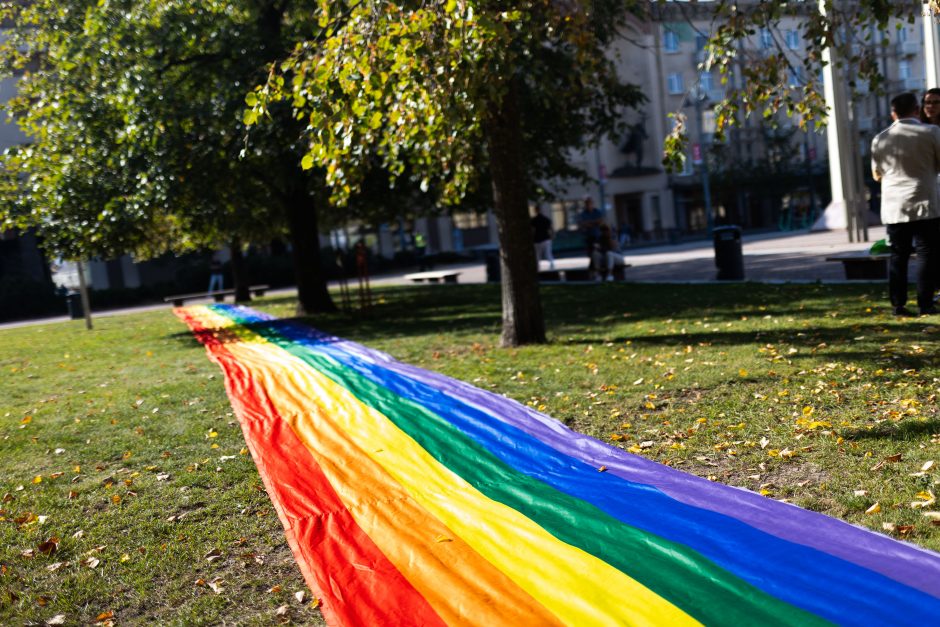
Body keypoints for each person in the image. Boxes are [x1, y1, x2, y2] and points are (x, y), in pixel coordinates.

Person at [871, 92, 940, 316]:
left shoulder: (880, 138)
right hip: (925, 201)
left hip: (894, 206)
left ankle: (898, 305)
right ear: (916, 110)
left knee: (898, 255)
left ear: (893, 113)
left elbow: (876, 174)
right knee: (926, 254)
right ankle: (925, 304)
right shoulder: (931, 132)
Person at [578, 197, 603, 270]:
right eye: (587, 204)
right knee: (590, 252)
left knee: (596, 251)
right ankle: (594, 267)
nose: (588, 205)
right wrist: (594, 222)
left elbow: (600, 221)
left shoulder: (597, 212)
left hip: (597, 235)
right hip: (588, 236)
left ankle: (595, 267)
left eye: (590, 203)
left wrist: (589, 223)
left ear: (592, 204)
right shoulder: (583, 213)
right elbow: (583, 223)